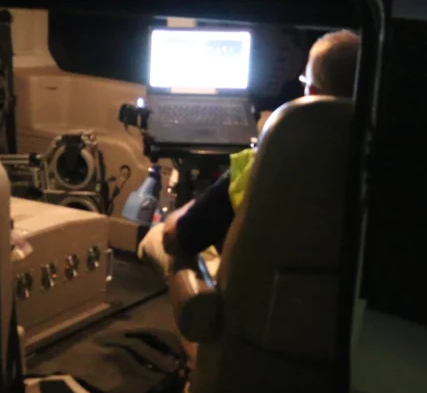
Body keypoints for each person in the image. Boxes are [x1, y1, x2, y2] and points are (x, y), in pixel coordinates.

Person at [149, 29, 361, 262]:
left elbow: (178, 240)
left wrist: (186, 210)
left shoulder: (268, 161)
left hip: (259, 293)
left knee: (156, 237)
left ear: (310, 92)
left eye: (304, 80)